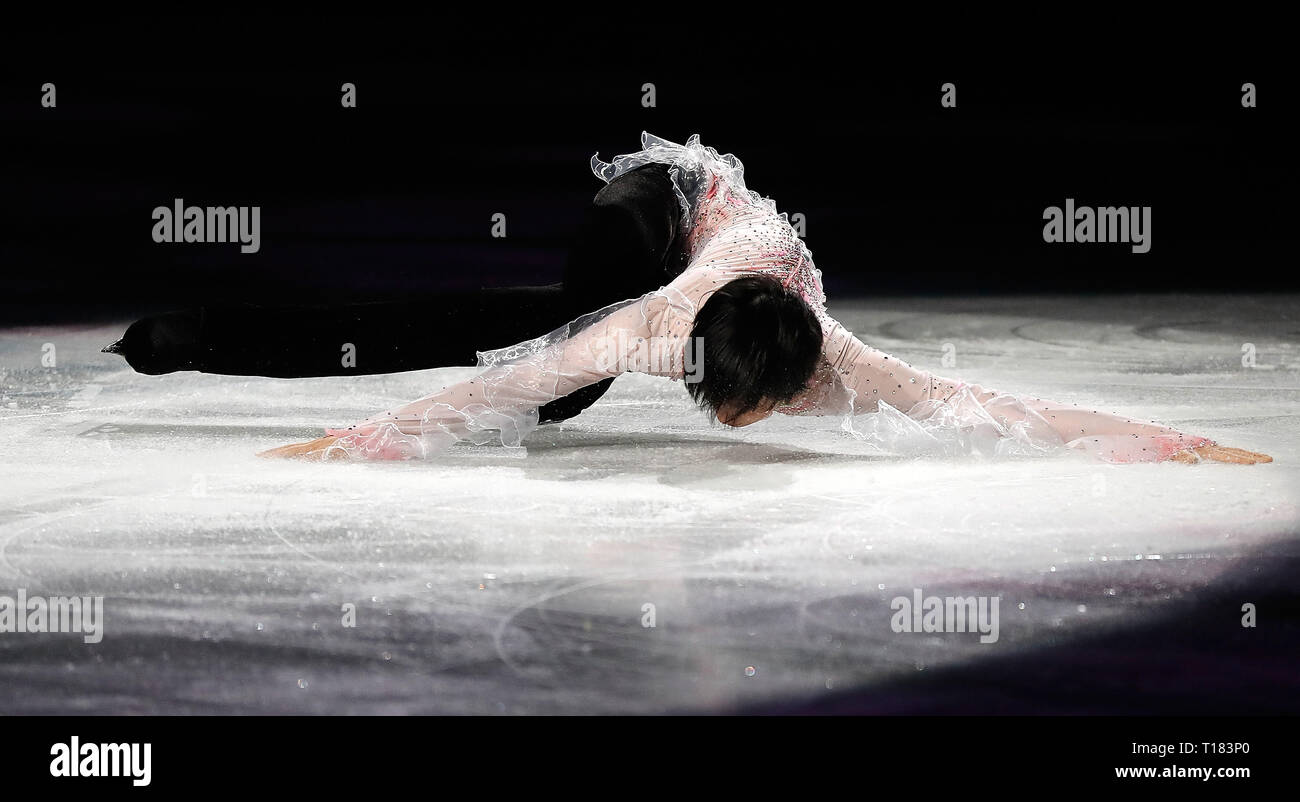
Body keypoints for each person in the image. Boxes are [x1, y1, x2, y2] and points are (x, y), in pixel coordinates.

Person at [112, 133, 1271, 465]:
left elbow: (1002, 408)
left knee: (551, 383)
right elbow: (502, 383)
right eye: (714, 395)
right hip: (648, 205)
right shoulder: (657, 327)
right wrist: (354, 442)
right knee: (535, 357)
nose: (715, 414)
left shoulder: (845, 359)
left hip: (715, 250)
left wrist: (1177, 443)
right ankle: (199, 336)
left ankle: (185, 335)